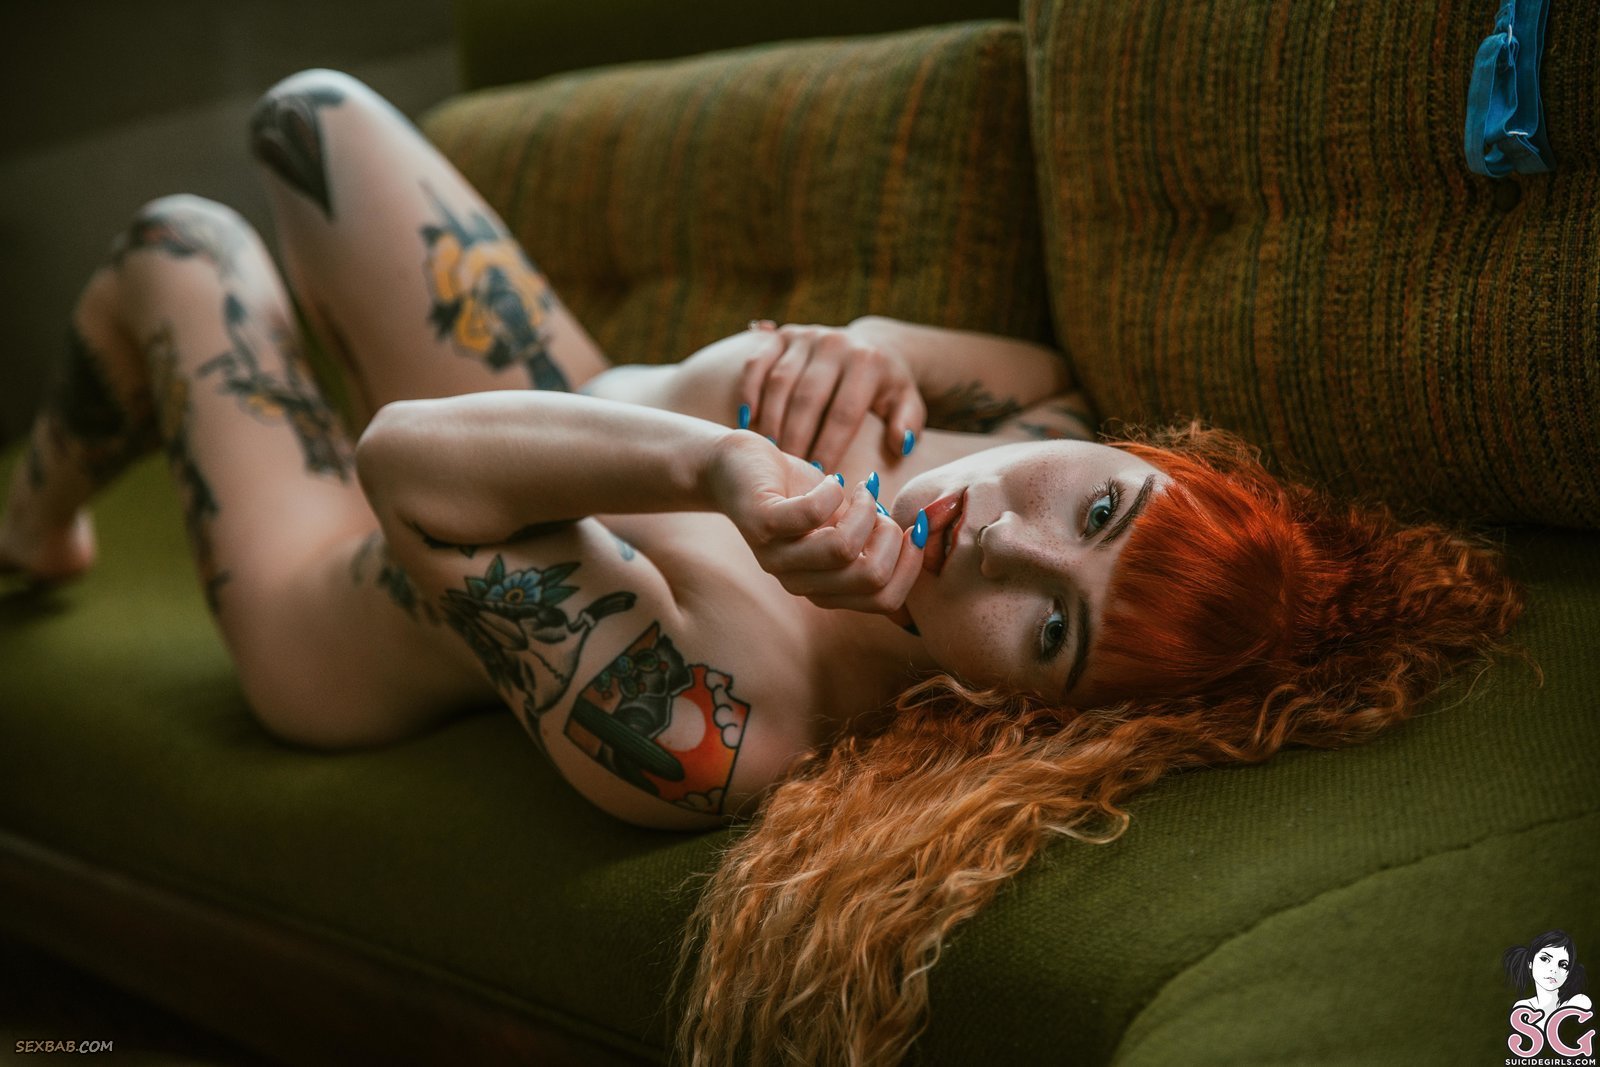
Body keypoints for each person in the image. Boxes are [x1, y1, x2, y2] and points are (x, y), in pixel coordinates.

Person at [0, 70, 1523, 1066]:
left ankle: (32, 519)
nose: (1010, 534)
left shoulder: (716, 724)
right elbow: (1039, 375)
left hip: (341, 592)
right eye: (1102, 505)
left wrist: (718, 466)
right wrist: (870, 347)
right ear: (1138, 459)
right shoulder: (1031, 450)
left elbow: (411, 465)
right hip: (564, 394)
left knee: (184, 245)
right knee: (308, 116)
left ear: (1020, 709)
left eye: (1048, 629)